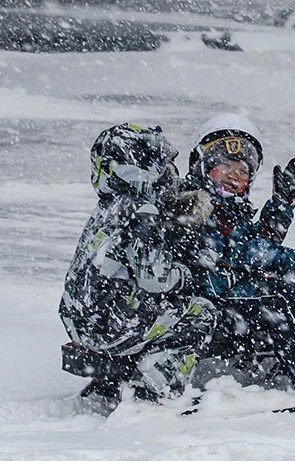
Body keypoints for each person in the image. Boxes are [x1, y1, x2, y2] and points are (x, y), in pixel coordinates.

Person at [168, 113, 295, 393]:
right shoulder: (189, 204)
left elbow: (253, 244)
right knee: (274, 293)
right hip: (193, 310)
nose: (233, 176)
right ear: (202, 165)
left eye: (242, 171)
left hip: (215, 305)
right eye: (224, 166)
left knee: (276, 287)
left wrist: (281, 205)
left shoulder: (227, 209)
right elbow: (239, 252)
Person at [60, 124, 218, 407]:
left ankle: (110, 381)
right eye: (164, 166)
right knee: (201, 313)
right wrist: (185, 274)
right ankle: (157, 390)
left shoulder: (110, 205)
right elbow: (154, 279)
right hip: (112, 327)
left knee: (145, 308)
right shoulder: (143, 210)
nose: (170, 175)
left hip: (81, 322)